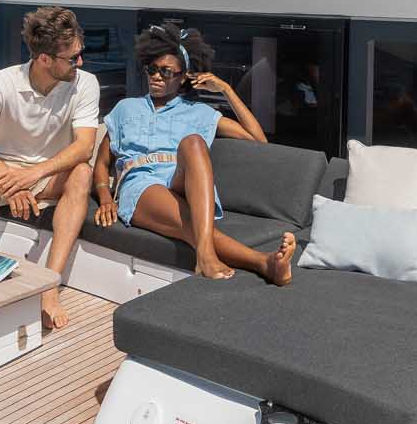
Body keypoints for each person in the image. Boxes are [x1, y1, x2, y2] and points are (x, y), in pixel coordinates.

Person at [94, 21, 295, 285]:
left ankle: (216, 257)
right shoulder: (126, 107)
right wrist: (105, 197)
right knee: (191, 223)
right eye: (152, 69)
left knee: (193, 142)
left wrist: (227, 90)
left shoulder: (198, 112)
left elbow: (259, 141)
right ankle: (259, 262)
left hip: (181, 181)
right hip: (141, 182)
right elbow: (102, 161)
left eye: (166, 72)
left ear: (183, 77)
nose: (156, 76)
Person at [0, 5, 99, 331]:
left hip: (47, 176)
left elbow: (84, 147)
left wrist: (33, 174)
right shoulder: (3, 82)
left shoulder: (85, 84)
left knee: (82, 172)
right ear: (45, 59)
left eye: (80, 54)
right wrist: (8, 178)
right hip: (4, 173)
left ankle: (49, 287)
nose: (80, 62)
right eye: (73, 58)